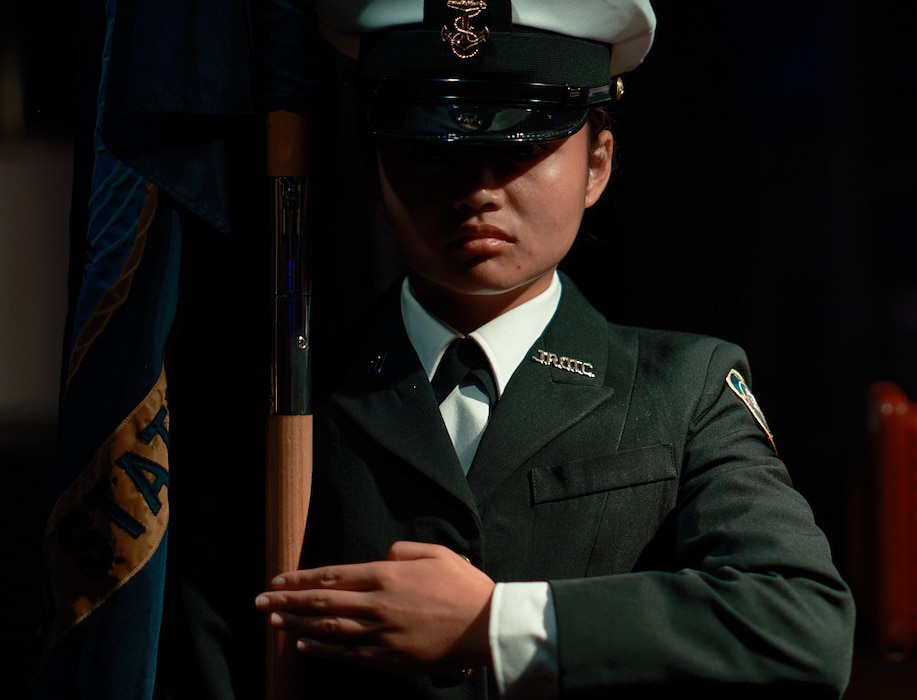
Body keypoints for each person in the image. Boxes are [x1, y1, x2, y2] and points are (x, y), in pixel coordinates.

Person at [255, 1, 856, 697]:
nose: (477, 189)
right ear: (375, 171)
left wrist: (497, 623)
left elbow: (800, 627)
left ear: (596, 165)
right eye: (431, 147)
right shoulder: (291, 397)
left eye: (520, 146)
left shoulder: (681, 389)